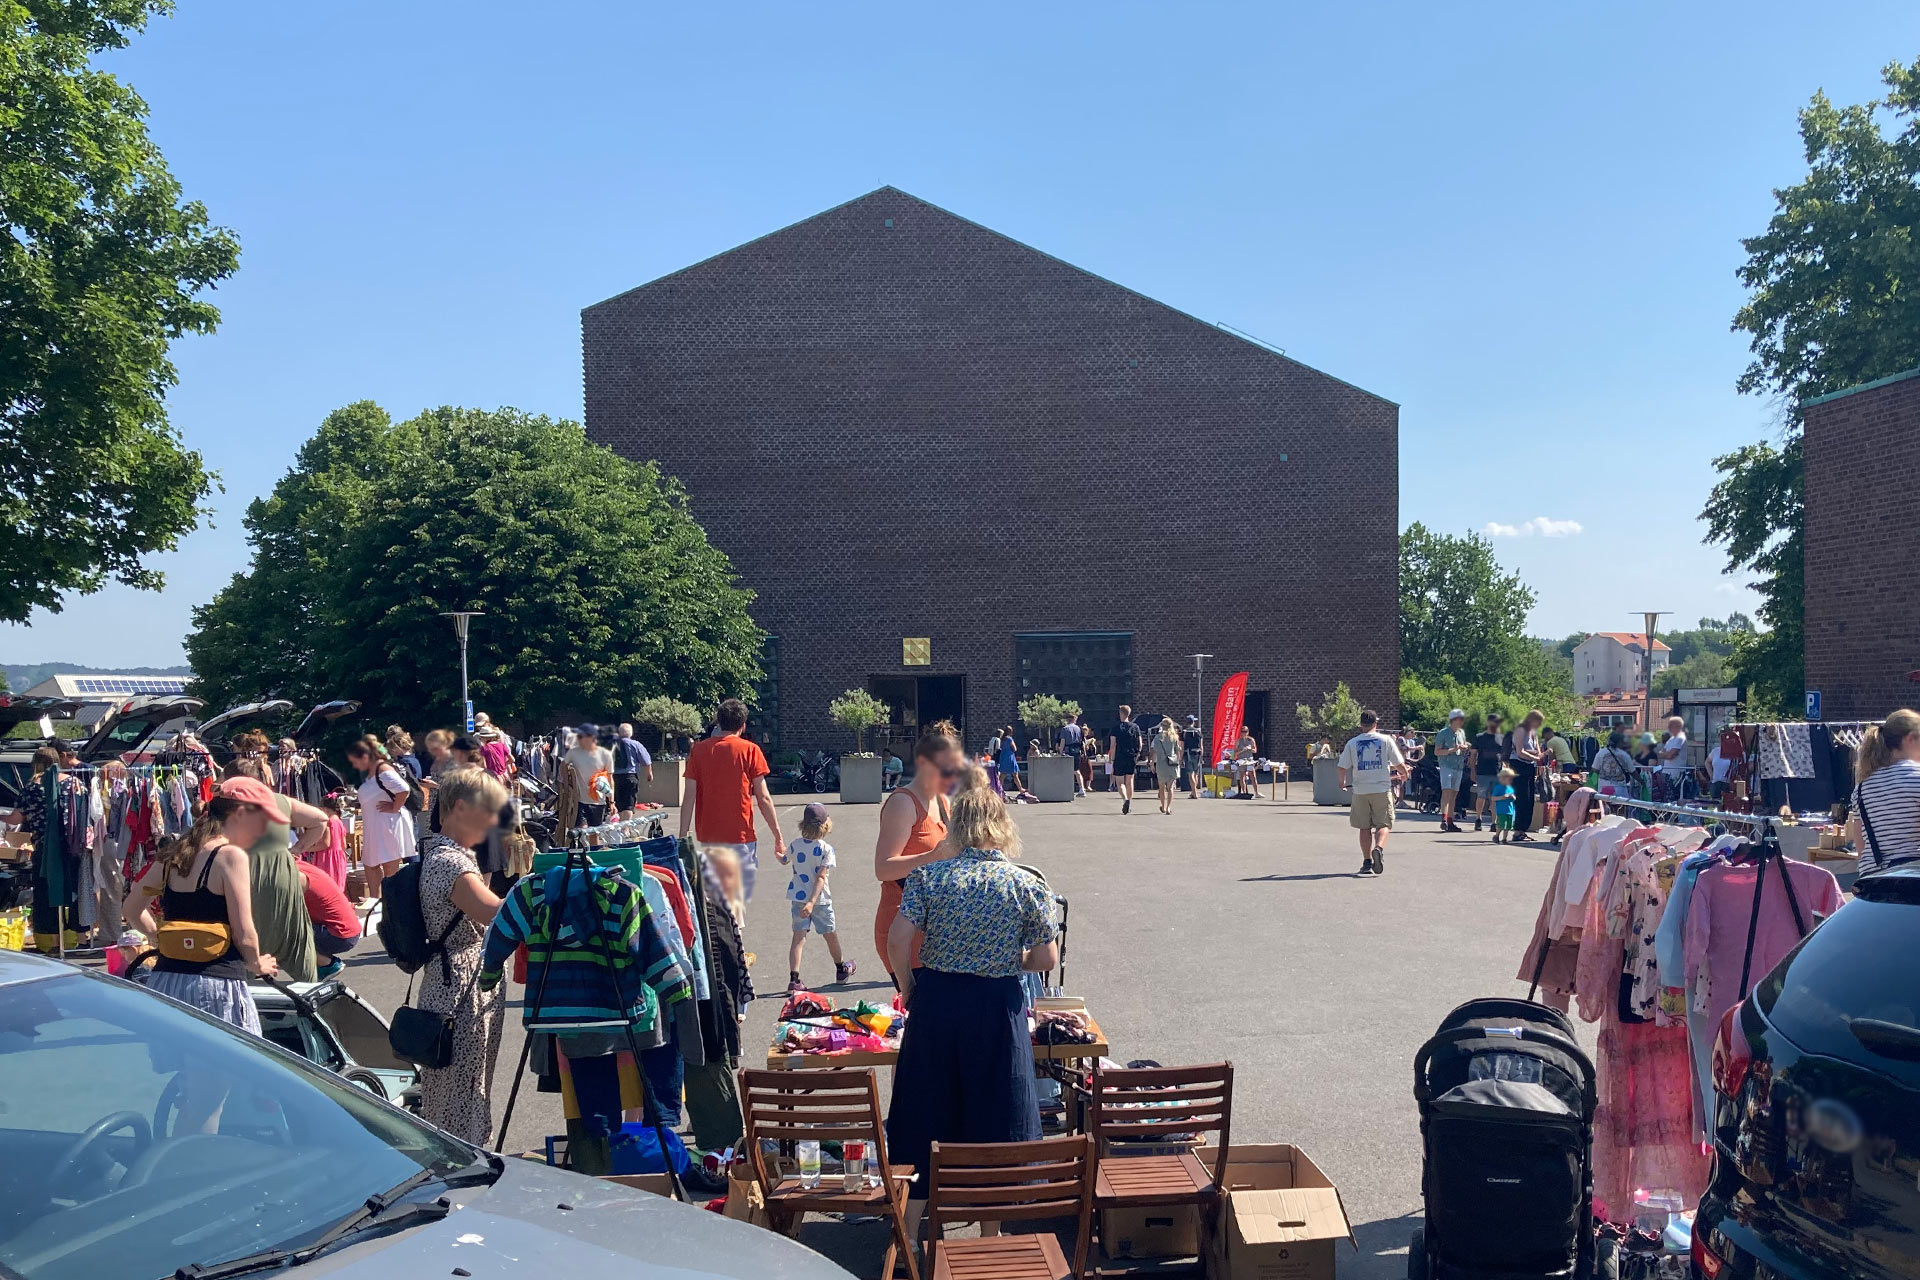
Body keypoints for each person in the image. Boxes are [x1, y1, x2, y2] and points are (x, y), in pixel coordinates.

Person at [885, 766, 1058, 1243]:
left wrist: (907, 986)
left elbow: (898, 938)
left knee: (924, 1115)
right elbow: (1046, 956)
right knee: (995, 1116)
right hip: (995, 1007)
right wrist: (1006, 956)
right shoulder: (1026, 884)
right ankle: (989, 1238)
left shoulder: (929, 877)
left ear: (957, 825)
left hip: (937, 1002)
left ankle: (911, 1236)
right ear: (1000, 827)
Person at [125, 779, 282, 1027]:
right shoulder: (230, 856)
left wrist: (159, 937)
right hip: (215, 985)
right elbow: (243, 933)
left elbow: (131, 908)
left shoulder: (173, 854)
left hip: (166, 981)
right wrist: (256, 963)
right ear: (240, 814)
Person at [416, 767, 508, 1146]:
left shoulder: (443, 853)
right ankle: (462, 1164)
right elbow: (496, 914)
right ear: (457, 808)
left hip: (452, 980)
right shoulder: (451, 862)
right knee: (462, 1089)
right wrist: (539, 889)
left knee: (458, 1088)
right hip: (460, 987)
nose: (493, 820)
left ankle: (461, 1156)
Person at [872, 721, 965, 981]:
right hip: (905, 933)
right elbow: (883, 868)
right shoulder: (903, 802)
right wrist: (931, 856)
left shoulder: (942, 799)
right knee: (922, 1015)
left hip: (937, 930)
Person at [679, 698, 784, 903]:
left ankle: (725, 933)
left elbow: (689, 796)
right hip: (741, 834)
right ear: (743, 725)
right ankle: (735, 933)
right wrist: (777, 836)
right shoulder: (750, 750)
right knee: (737, 901)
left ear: (718, 722)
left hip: (709, 834)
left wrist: (682, 837)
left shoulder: (698, 751)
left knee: (718, 900)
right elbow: (763, 798)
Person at [780, 802, 854, 992]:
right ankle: (841, 969)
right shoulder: (826, 849)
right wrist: (812, 902)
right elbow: (821, 877)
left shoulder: (795, 845)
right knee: (830, 935)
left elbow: (783, 859)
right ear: (825, 825)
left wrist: (778, 850)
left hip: (798, 897)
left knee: (798, 938)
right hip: (819, 900)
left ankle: (794, 979)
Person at [1849, 708, 1920, 873]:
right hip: (1912, 880)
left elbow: (1861, 849)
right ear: (1910, 739)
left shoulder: (1861, 789)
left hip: (1873, 884)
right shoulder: (1917, 776)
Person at [348, 734, 416, 902]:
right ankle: (376, 901)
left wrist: (394, 807)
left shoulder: (383, 769)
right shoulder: (373, 772)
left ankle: (389, 904)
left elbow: (403, 788)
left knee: (388, 867)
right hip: (376, 824)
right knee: (370, 863)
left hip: (387, 824)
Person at [1338, 709, 1406, 875]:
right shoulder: (1386, 740)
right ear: (1376, 723)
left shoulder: (1352, 743)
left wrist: (1342, 783)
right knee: (1384, 824)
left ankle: (1367, 861)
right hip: (1381, 788)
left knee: (1364, 827)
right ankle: (1379, 848)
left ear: (1361, 724)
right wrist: (1405, 773)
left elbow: (1342, 766)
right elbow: (1398, 763)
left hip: (1360, 790)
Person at [299, 855, 362, 979]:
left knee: (279, 930)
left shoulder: (296, 876)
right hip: (345, 930)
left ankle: (327, 964)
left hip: (339, 934)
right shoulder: (302, 867)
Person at [1506, 710, 1548, 841]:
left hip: (1530, 765)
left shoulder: (1533, 732)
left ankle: (1523, 829)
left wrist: (1540, 757)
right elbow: (1520, 751)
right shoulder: (1521, 730)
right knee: (1522, 797)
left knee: (1530, 799)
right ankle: (1517, 829)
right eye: (1538, 721)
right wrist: (1534, 757)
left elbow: (1537, 749)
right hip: (1518, 765)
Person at [565, 723, 615, 826]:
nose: (578, 739)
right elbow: (562, 768)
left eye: (580, 736)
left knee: (594, 833)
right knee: (582, 831)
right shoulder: (573, 753)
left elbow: (610, 779)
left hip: (599, 801)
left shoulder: (605, 754)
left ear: (591, 737)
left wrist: (612, 802)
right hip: (580, 800)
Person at [1469, 712, 1505, 832]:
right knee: (1481, 796)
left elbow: (1504, 756)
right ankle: (1478, 818)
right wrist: (1473, 771)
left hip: (1497, 772)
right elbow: (1473, 755)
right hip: (1482, 771)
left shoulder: (1501, 738)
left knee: (1495, 798)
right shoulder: (1480, 737)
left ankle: (1494, 822)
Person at [1434, 709, 1469, 832]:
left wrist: (1464, 747)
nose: (1462, 722)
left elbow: (1463, 744)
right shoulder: (1443, 733)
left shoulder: (1461, 733)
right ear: (1453, 720)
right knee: (1446, 792)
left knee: (1454, 795)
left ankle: (1450, 820)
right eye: (1460, 719)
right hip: (1446, 766)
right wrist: (1452, 750)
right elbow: (1437, 751)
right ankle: (1443, 819)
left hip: (1458, 766)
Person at [611, 721, 654, 819]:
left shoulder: (613, 745)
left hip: (615, 778)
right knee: (629, 805)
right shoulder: (636, 745)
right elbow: (646, 761)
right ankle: (625, 829)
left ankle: (622, 826)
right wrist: (649, 774)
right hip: (630, 777)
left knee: (620, 804)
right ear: (631, 733)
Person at [1108, 705, 1143, 814]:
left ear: (1120, 713)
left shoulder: (1115, 728)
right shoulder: (1135, 727)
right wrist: (1136, 754)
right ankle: (1130, 801)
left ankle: (1125, 800)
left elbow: (1113, 745)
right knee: (1130, 781)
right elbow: (1140, 744)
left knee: (1120, 782)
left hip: (1119, 756)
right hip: (1131, 756)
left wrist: (1111, 759)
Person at [1151, 716, 1183, 814]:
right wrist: (1178, 761)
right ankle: (1169, 807)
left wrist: (1152, 763)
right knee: (1171, 787)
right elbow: (1178, 751)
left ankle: (1163, 806)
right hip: (1172, 764)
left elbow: (1154, 751)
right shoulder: (1174, 737)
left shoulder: (1158, 738)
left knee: (1161, 787)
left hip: (1161, 764)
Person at [1657, 716, 1690, 795]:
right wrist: (1667, 754)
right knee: (1667, 797)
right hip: (1667, 772)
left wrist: (1667, 754)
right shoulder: (1671, 740)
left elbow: (1670, 756)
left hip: (1676, 774)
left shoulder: (1680, 738)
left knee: (1674, 797)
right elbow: (1660, 754)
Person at [1058, 713, 1086, 798]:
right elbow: (1083, 742)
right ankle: (1082, 789)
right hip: (1077, 750)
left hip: (1067, 751)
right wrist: (1084, 752)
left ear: (1067, 720)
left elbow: (1062, 741)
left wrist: (1060, 751)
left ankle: (1067, 789)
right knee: (1077, 770)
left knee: (1067, 771)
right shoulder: (1079, 729)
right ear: (1074, 719)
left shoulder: (1064, 729)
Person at [1491, 766, 1519, 843]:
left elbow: (1514, 798)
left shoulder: (1510, 788)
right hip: (1502, 810)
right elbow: (1493, 798)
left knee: (1508, 826)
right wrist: (1501, 797)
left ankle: (1504, 838)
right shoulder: (1498, 788)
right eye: (1509, 779)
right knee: (1501, 824)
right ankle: (1497, 835)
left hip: (1510, 810)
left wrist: (1512, 797)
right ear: (1502, 778)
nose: (1511, 780)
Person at [1180, 715, 1205, 800]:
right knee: (1196, 774)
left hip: (1188, 754)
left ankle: (1194, 792)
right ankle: (1194, 792)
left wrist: (1180, 758)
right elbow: (1201, 746)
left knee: (1190, 774)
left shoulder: (1184, 732)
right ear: (1193, 722)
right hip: (1197, 754)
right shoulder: (1198, 732)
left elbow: (1182, 747)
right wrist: (1201, 756)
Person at [996, 727, 1022, 795]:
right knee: (1015, 774)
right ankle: (1021, 789)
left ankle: (998, 790)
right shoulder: (1009, 739)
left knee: (1002, 775)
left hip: (1003, 757)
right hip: (1009, 757)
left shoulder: (1002, 739)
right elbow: (1014, 748)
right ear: (1010, 731)